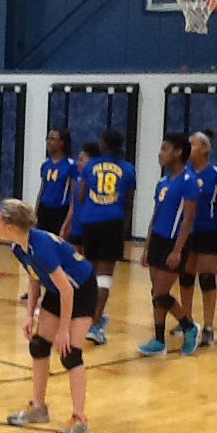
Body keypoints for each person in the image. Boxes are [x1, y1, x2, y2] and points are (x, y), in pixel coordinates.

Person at [0, 199, 96, 433]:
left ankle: (80, 419)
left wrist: (63, 330)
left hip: (80, 289)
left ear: (10, 226)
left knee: (70, 353)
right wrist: (30, 313)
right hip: (57, 291)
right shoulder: (19, 246)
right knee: (39, 345)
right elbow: (34, 278)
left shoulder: (42, 247)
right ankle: (38, 407)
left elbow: (68, 291)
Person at [137, 133, 201, 357]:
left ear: (178, 152)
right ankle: (158, 339)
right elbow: (155, 214)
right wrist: (146, 246)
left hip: (175, 242)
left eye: (165, 149)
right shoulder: (163, 182)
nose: (160, 153)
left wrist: (177, 250)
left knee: (162, 292)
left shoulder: (189, 181)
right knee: (156, 291)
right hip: (158, 239)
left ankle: (188, 326)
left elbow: (189, 218)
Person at [78, 129, 136, 346]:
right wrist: (124, 228)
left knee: (90, 271)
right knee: (105, 275)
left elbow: (82, 195)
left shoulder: (91, 165)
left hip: (91, 220)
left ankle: (85, 316)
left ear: (102, 144)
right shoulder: (129, 169)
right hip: (113, 221)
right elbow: (128, 202)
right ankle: (95, 322)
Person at [174, 130, 217, 347]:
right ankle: (187, 322)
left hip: (209, 231)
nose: (189, 148)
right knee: (186, 276)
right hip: (188, 232)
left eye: (194, 144)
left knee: (206, 278)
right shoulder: (184, 172)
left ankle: (208, 327)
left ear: (205, 149)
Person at [19, 127, 76, 302]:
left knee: (57, 251)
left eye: (53, 138)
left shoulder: (71, 166)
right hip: (45, 210)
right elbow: (42, 190)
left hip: (60, 212)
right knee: (35, 251)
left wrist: (68, 221)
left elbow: (74, 195)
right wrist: (34, 214)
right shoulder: (46, 164)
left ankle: (59, 287)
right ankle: (35, 287)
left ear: (62, 142)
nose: (49, 141)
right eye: (48, 138)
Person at [62, 142, 101, 250]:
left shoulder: (95, 183)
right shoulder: (79, 182)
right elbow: (73, 207)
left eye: (81, 160)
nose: (78, 163)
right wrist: (66, 225)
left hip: (89, 229)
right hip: (76, 230)